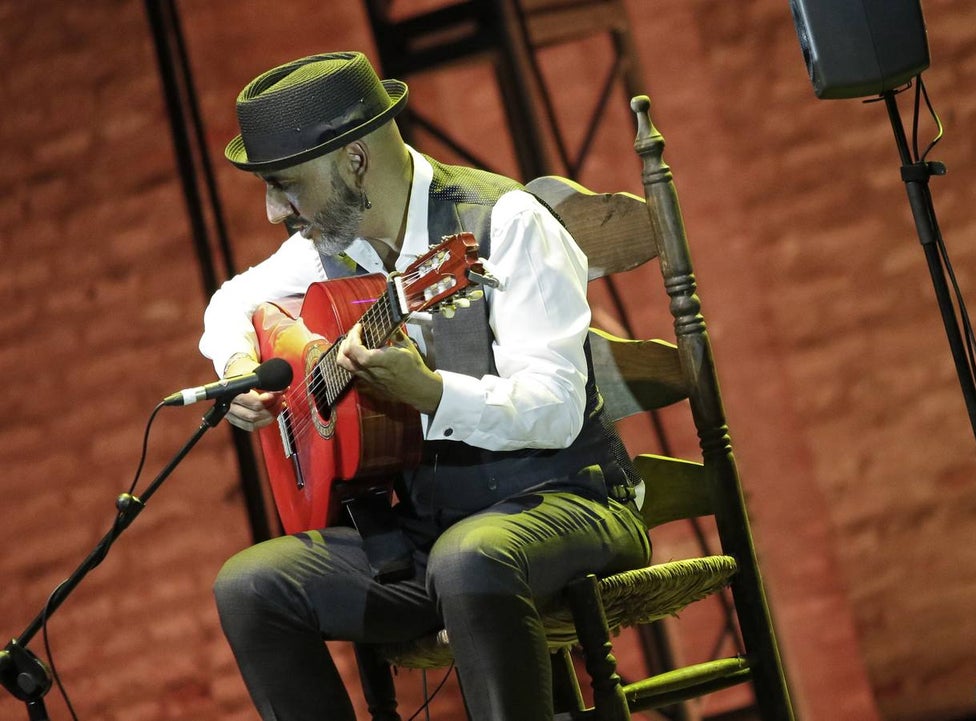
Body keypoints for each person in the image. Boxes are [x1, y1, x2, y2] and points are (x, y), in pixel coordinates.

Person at [199, 51, 651, 721]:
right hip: (431, 533)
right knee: (251, 587)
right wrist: (238, 364)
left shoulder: (505, 222)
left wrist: (435, 396)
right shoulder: (329, 244)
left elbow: (556, 409)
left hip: (567, 498)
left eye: (285, 186)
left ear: (354, 160)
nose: (273, 212)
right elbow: (230, 302)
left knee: (469, 561)